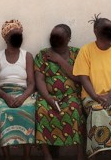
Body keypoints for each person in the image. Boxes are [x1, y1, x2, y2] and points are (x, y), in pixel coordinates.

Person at [72, 16, 111, 159]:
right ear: (96, 31)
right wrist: (96, 96)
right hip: (91, 97)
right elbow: (83, 77)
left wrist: (109, 96)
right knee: (97, 111)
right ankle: (97, 153)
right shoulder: (86, 50)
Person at [34, 24, 84, 160]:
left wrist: (60, 60)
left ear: (68, 39)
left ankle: (80, 154)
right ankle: (47, 155)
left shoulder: (77, 54)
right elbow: (40, 80)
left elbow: (79, 78)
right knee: (41, 109)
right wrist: (48, 98)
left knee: (74, 109)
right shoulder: (43, 55)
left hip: (71, 96)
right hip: (48, 95)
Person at [0, 19, 37, 158]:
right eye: (13, 35)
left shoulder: (27, 56)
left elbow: (32, 83)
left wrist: (22, 97)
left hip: (24, 93)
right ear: (6, 38)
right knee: (1, 110)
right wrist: (7, 97)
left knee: (29, 109)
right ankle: (7, 156)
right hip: (3, 94)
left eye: (19, 35)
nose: (17, 38)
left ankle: (27, 155)